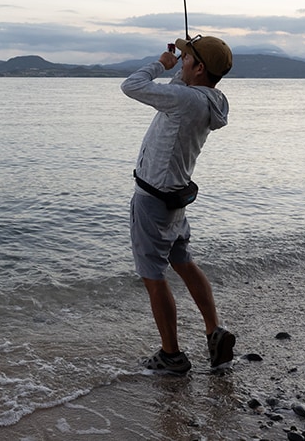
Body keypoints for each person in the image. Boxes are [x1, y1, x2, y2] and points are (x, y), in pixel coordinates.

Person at [120, 34, 235, 374]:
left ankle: (171, 355)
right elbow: (181, 89)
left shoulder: (184, 100)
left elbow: (132, 85)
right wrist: (181, 64)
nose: (181, 62)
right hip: (175, 199)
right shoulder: (212, 100)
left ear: (199, 68)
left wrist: (161, 63)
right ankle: (214, 330)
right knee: (183, 261)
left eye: (188, 60)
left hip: (153, 200)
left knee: (154, 277)